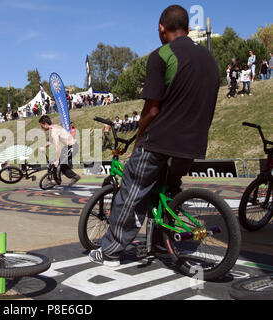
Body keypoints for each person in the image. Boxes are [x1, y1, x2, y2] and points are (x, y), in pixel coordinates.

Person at [88, 4, 220, 267]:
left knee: (131, 191)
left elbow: (152, 108)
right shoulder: (209, 58)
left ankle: (111, 251)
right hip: (193, 143)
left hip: (161, 139)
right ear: (189, 28)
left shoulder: (161, 55)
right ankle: (162, 244)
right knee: (167, 193)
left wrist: (139, 139)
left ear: (162, 28)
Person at [39, 115, 80, 187]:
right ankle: (75, 176)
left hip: (72, 147)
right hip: (69, 147)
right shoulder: (53, 128)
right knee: (62, 164)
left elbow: (58, 146)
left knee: (57, 163)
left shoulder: (54, 131)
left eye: (41, 125)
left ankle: (57, 181)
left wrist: (57, 160)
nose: (41, 127)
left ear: (45, 124)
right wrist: (43, 146)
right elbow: (50, 141)